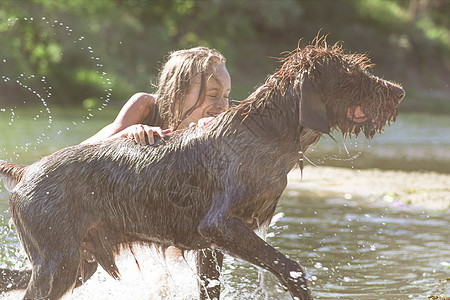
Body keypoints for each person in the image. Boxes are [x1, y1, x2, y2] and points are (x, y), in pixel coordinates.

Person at [82, 46, 231, 295]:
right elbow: (86, 153)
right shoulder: (146, 107)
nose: (222, 105)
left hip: (145, 216)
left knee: (212, 219)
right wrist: (129, 134)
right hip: (83, 204)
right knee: (75, 278)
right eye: (213, 95)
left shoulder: (211, 137)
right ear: (177, 96)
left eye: (226, 95)